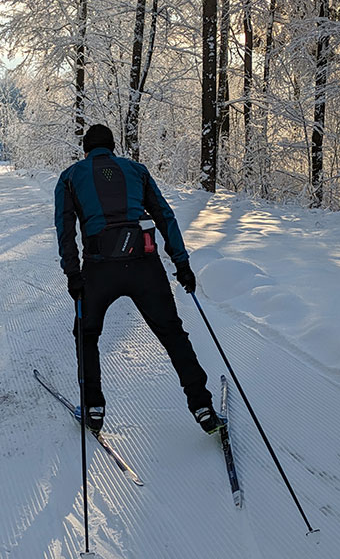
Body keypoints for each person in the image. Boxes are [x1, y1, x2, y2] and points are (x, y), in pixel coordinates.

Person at [54, 123, 224, 435]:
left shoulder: (70, 177)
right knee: (173, 334)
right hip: (144, 264)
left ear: (85, 150)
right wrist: (181, 263)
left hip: (99, 268)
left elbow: (65, 230)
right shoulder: (137, 170)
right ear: (113, 147)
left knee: (87, 334)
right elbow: (164, 215)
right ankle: (202, 405)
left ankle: (94, 408)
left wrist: (73, 275)